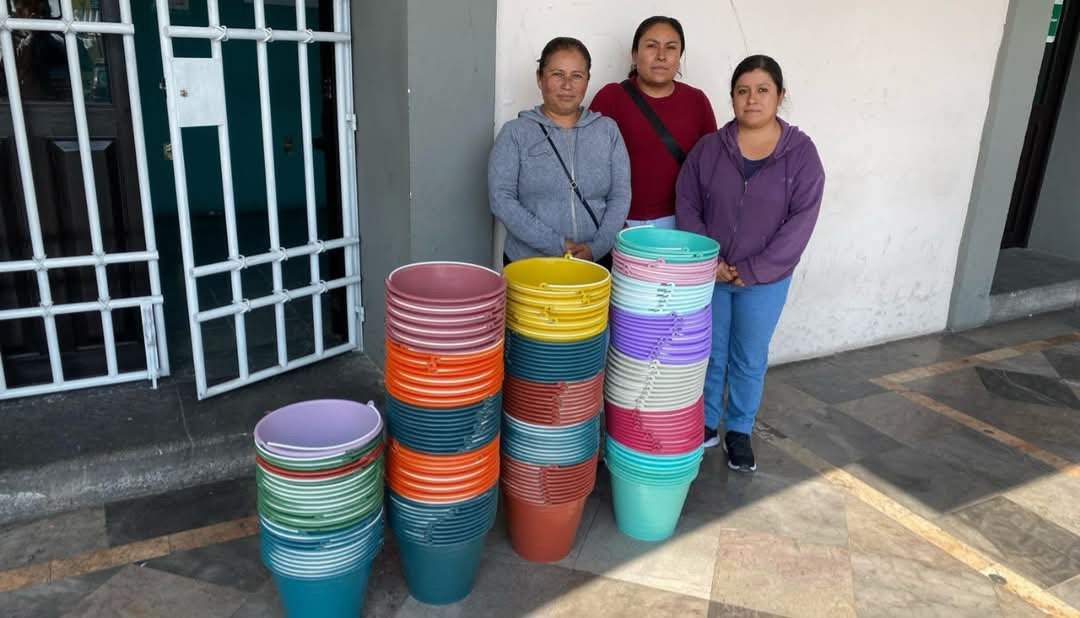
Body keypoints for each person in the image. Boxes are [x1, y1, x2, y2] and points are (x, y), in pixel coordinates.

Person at [675, 55, 825, 472]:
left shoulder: (801, 154)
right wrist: (710, 259)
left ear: (780, 95)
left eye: (762, 90)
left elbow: (801, 221)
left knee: (749, 357)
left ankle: (739, 429)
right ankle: (705, 422)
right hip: (713, 274)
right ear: (732, 97)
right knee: (709, 353)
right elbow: (687, 202)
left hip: (764, 281)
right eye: (743, 91)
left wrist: (755, 269)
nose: (752, 99)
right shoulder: (710, 149)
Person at [489, 37, 630, 266]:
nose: (567, 85)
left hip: (594, 263)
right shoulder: (515, 133)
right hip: (530, 263)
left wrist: (597, 248)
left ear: (587, 80)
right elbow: (501, 199)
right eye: (557, 74)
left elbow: (620, 196)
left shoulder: (607, 131)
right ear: (539, 78)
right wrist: (557, 244)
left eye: (577, 76)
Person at [590, 16, 716, 230]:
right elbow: (589, 167)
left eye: (671, 47)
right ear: (634, 55)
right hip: (621, 224)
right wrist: (612, 225)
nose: (661, 56)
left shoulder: (697, 101)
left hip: (682, 224)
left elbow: (712, 167)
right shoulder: (611, 98)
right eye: (651, 46)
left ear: (679, 57)